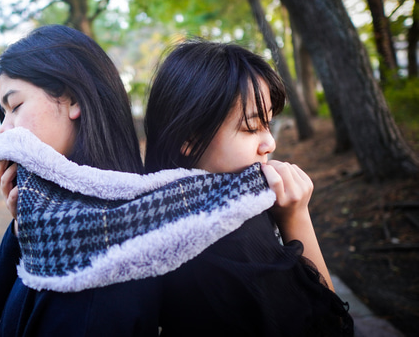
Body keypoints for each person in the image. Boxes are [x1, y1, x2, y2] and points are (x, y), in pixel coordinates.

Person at [144, 39, 353, 336]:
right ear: (188, 138)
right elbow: (331, 328)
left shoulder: (157, 212)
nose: (270, 143)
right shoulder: (234, 238)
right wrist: (296, 217)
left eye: (268, 124)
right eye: (251, 127)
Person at [0, 24, 161, 336]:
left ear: (73, 99)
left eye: (16, 106)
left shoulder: (104, 251)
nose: (3, 129)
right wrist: (20, 225)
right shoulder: (50, 206)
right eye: (3, 113)